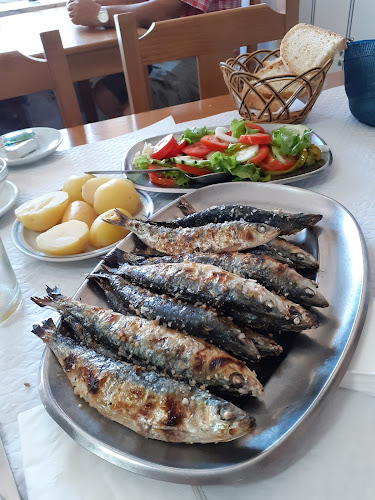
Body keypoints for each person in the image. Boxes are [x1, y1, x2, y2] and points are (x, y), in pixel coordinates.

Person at [67, 0, 240, 117]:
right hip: (168, 51)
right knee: (106, 95)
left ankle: (156, 155)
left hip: (205, 59)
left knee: (135, 107)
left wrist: (100, 13)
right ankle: (157, 152)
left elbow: (165, 10)